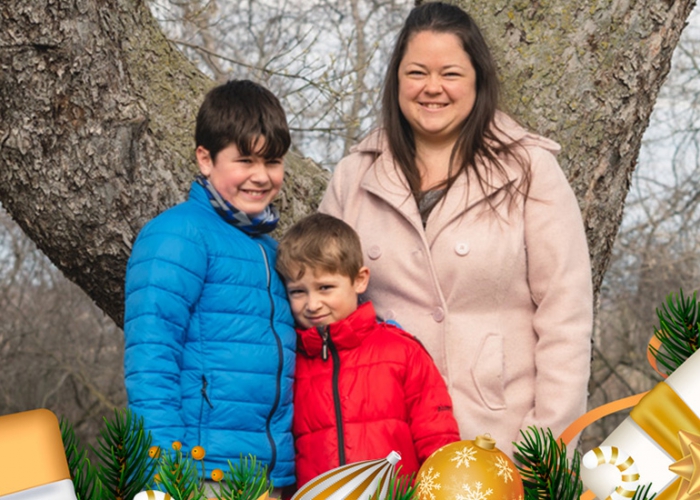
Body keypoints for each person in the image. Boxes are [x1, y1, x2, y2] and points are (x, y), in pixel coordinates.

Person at [319, 2, 593, 458]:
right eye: (416, 73)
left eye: (450, 73)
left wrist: (544, 451)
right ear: (397, 80)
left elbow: (566, 317)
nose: (432, 88)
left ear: (477, 80)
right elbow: (321, 310)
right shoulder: (353, 176)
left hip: (499, 440)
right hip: (383, 447)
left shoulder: (530, 170)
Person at [123, 80, 296, 487]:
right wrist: (166, 475)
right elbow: (151, 360)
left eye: (272, 162)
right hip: (201, 475)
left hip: (268, 477)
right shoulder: (177, 235)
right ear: (205, 159)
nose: (261, 176)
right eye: (246, 160)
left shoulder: (271, 251)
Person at [276, 213, 461, 488]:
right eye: (298, 292)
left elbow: (438, 440)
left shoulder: (402, 352)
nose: (312, 304)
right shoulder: (291, 363)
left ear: (359, 280)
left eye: (325, 287)